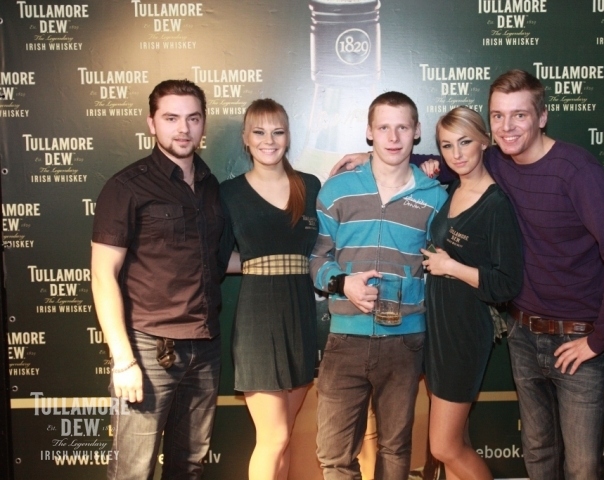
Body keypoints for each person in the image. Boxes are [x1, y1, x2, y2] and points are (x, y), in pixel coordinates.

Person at [332, 70, 604, 479]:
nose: (508, 127)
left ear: (542, 117)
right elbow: (452, 161)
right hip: (521, 331)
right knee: (538, 453)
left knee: (582, 465)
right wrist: (369, 157)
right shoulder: (497, 160)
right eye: (499, 116)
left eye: (519, 115)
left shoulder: (576, 171)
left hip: (574, 337)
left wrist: (599, 339)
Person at [91, 79, 228, 479]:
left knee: (189, 466)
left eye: (193, 118)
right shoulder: (126, 187)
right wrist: (123, 360)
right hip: (149, 350)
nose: (183, 129)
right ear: (152, 123)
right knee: (134, 470)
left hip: (205, 348)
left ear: (203, 124)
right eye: (171, 118)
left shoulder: (211, 186)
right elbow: (102, 275)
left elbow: (214, 259)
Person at [310, 91, 447, 480]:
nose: (393, 137)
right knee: (334, 454)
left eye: (402, 127)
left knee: (395, 448)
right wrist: (343, 283)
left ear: (417, 132)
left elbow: (441, 267)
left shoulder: (436, 197)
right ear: (369, 132)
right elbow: (317, 257)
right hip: (345, 339)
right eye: (384, 127)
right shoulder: (337, 189)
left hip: (405, 342)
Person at [420, 107, 523, 480]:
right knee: (455, 441)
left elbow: (507, 283)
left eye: (465, 142)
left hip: (464, 331)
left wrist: (451, 267)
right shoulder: (454, 188)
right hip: (438, 327)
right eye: (447, 145)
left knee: (443, 447)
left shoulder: (496, 204)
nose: (456, 153)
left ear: (484, 141)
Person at [220, 98, 320, 480]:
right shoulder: (229, 193)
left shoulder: (309, 186)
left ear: (288, 137)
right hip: (258, 318)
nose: (269, 140)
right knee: (273, 436)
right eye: (259, 132)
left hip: (300, 314)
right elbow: (215, 258)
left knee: (285, 435)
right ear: (245, 139)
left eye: (278, 132)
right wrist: (258, 263)